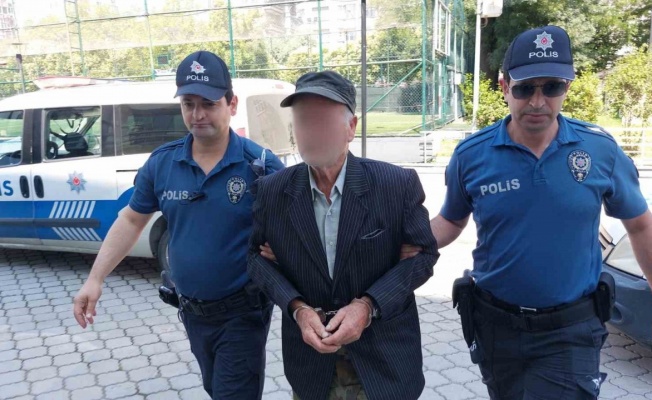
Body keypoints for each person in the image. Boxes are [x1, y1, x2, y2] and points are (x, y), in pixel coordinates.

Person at [430, 26, 652, 399]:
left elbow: (640, 225)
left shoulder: (598, 150)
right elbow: (450, 221)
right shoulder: (472, 155)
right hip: (495, 327)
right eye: (524, 89)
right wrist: (403, 241)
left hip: (570, 329)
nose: (537, 102)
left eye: (551, 87)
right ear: (504, 86)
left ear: (567, 86)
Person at [73, 51, 284, 400]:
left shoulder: (260, 166)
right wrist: (95, 279)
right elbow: (131, 219)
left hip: (243, 314)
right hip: (192, 313)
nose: (197, 115)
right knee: (215, 388)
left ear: (231, 104)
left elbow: (293, 227)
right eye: (188, 104)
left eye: (209, 104)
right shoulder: (163, 163)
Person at [247, 70, 439, 400]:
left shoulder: (395, 185)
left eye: (323, 120)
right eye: (303, 121)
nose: (311, 131)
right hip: (311, 364)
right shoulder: (273, 191)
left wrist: (368, 305)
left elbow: (424, 256)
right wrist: (297, 308)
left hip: (383, 362)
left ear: (351, 127)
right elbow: (255, 258)